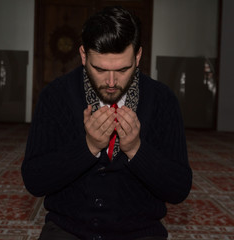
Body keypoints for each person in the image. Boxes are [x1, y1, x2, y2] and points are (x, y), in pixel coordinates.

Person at [21, 6, 192, 240]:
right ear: (83, 55)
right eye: (99, 69)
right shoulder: (55, 96)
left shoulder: (163, 100)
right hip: (68, 230)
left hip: (140, 232)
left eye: (123, 69)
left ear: (138, 57)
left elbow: (178, 189)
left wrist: (136, 150)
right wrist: (88, 147)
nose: (111, 82)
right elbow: (34, 180)